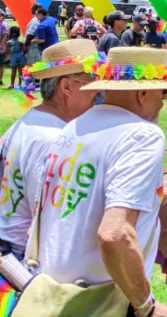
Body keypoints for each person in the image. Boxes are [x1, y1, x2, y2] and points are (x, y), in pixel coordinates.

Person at [35, 47, 167, 316]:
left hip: (51, 294)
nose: (162, 103)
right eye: (165, 93)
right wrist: (146, 307)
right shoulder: (143, 135)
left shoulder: (71, 128)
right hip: (102, 301)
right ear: (142, 93)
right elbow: (115, 233)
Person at [0, 40, 99, 258]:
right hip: (23, 259)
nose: (98, 90)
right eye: (92, 79)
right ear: (66, 86)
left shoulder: (24, 124)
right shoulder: (56, 140)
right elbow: (50, 216)